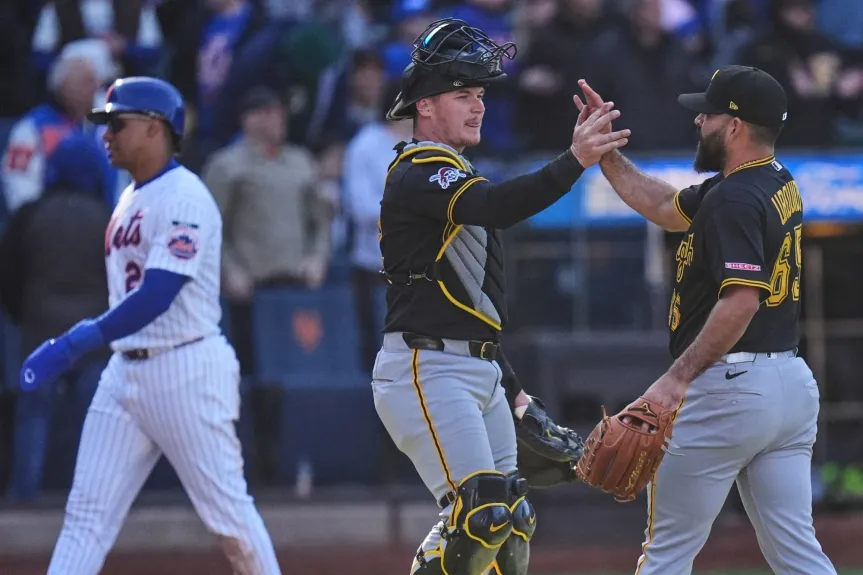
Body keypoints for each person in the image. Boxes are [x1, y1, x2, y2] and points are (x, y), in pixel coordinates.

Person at [374, 18, 629, 575]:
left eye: (481, 94)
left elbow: (473, 312)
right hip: (426, 366)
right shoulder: (418, 168)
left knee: (511, 521)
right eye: (462, 94)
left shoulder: (457, 171)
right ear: (424, 106)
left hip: (476, 368)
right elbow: (498, 208)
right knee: (482, 512)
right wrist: (574, 161)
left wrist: (514, 393)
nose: (477, 106)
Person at [574, 66, 837, 574]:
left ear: (734, 126)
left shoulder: (734, 198)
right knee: (798, 555)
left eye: (708, 113)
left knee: (667, 554)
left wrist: (675, 381)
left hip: (727, 391)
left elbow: (741, 300)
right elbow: (665, 205)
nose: (698, 119)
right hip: (788, 386)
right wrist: (603, 153)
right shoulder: (772, 179)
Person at [18, 77, 281, 575]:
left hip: (185, 367)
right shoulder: (129, 197)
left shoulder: (185, 196)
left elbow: (159, 293)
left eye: (118, 123)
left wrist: (77, 341)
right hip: (126, 372)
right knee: (86, 516)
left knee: (230, 521)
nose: (107, 134)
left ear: (155, 128)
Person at [0, 134, 112, 503]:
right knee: (94, 422)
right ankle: (93, 497)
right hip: (94, 338)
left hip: (41, 335)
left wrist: (23, 318)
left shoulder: (29, 214)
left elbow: (9, 275)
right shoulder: (108, 217)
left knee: (34, 417)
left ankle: (24, 495)